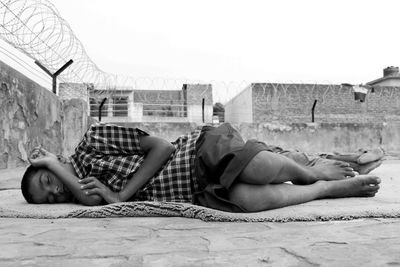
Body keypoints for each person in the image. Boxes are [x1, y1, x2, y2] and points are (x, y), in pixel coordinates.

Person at [21, 123, 383, 212]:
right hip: (194, 192)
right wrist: (58, 170)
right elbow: (89, 198)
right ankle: (323, 188)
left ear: (54, 164)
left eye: (47, 180)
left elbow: (161, 148)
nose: (57, 191)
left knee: (256, 167)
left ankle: (312, 172)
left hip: (195, 153)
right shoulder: (87, 193)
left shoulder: (92, 141)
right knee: (247, 200)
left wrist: (122, 195)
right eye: (50, 199)